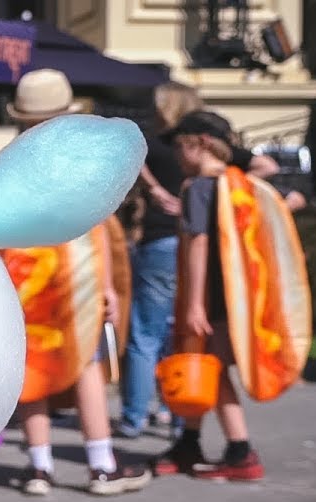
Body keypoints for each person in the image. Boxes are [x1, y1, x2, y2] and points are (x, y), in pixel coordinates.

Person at [2, 69, 152, 497]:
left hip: (25, 278)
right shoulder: (80, 160)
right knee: (87, 365)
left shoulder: (11, 161)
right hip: (75, 277)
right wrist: (106, 286)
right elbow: (97, 226)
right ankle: (102, 465)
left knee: (34, 368)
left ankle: (39, 468)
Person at [153, 110, 265, 480]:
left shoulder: (198, 187)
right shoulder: (237, 183)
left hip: (209, 298)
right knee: (201, 366)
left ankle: (240, 451)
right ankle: (189, 441)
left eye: (179, 147)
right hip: (235, 295)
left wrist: (195, 303)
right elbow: (290, 200)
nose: (176, 157)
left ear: (198, 143)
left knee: (211, 373)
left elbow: (197, 243)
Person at [116, 82, 202, 439]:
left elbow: (124, 154)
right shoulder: (198, 147)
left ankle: (135, 416)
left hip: (157, 240)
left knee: (144, 334)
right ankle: (176, 410)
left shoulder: (155, 145)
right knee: (176, 330)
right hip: (192, 242)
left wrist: (152, 188)